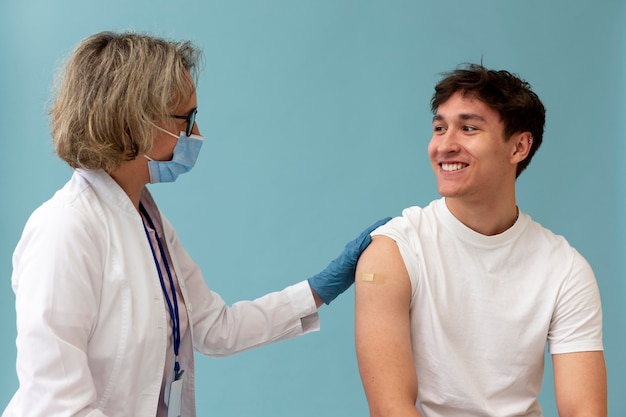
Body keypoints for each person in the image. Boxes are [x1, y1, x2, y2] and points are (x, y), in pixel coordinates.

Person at [3, 31, 389, 417]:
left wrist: (320, 288)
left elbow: (215, 327)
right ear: (129, 124)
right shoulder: (64, 230)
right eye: (186, 120)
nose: (197, 135)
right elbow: (57, 407)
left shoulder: (149, 224)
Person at [354, 64, 606, 417]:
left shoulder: (565, 268)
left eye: (468, 128)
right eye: (440, 128)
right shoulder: (393, 251)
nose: (444, 145)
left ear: (518, 146)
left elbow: (585, 411)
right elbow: (389, 408)